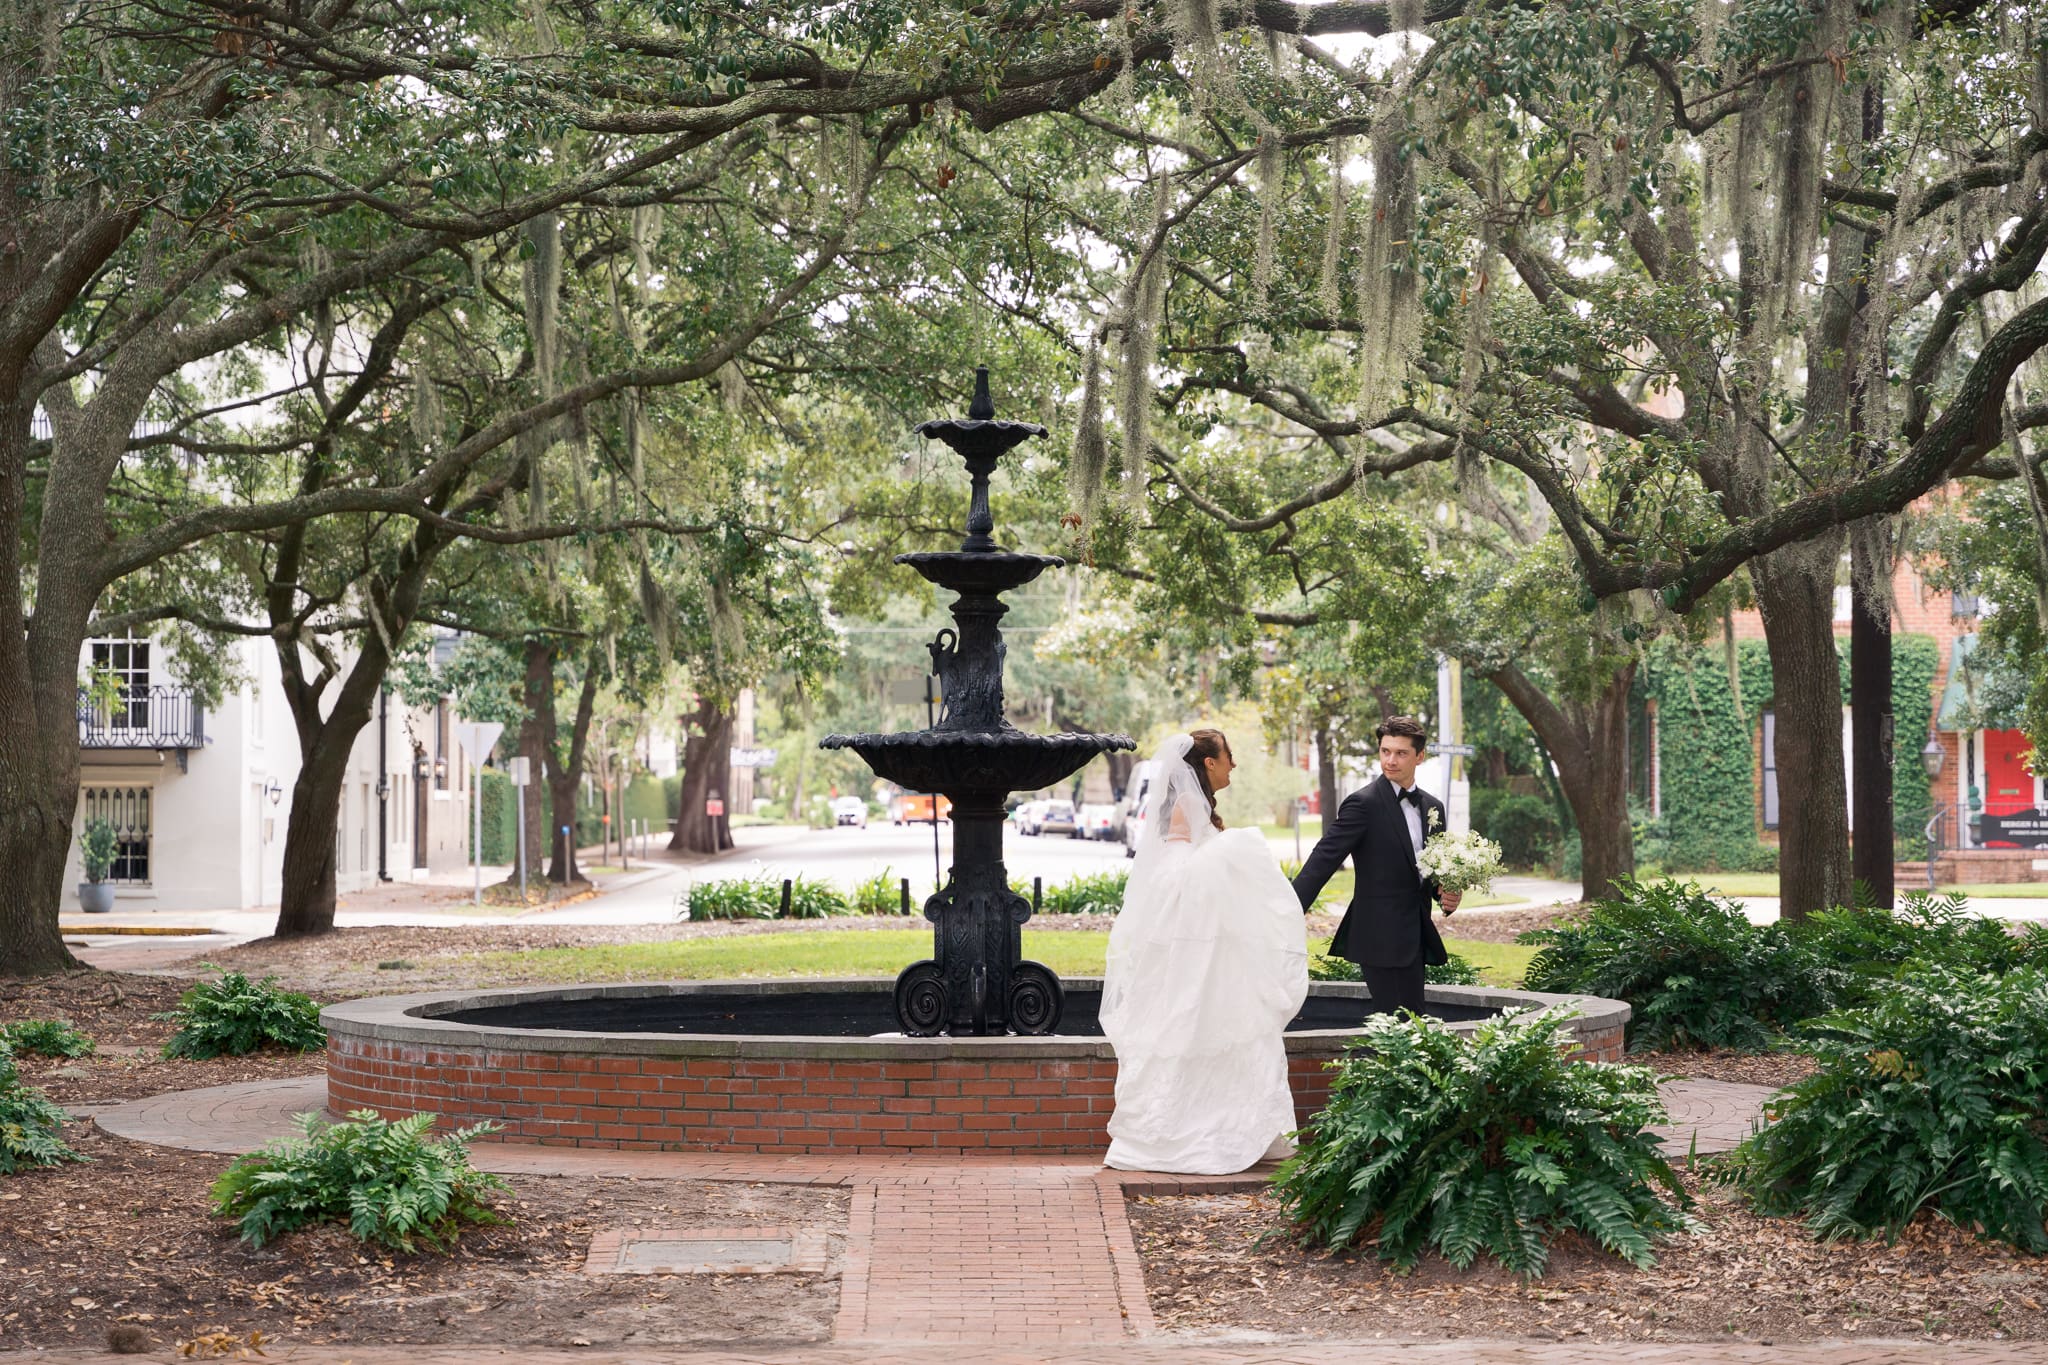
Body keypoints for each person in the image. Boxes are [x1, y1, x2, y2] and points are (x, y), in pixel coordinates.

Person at [1100, 730, 1309, 1174]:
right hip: (1193, 939)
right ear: (1209, 763)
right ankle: (1191, 1131)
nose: (1234, 765)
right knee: (1192, 1021)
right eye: (1229, 756)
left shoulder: (1201, 807)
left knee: (1228, 1023)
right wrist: (1227, 854)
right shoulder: (1183, 806)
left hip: (1217, 942)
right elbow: (1174, 871)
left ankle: (1233, 1125)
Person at [1290, 716, 1463, 1016]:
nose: (1391, 760)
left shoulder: (1434, 808)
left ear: (1419, 756)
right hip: (1378, 936)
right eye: (1385, 751)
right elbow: (1323, 859)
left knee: (1413, 1023)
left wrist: (1447, 894)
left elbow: (1432, 874)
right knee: (1396, 1026)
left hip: (1416, 935)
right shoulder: (1363, 804)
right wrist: (1289, 908)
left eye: (1401, 753)